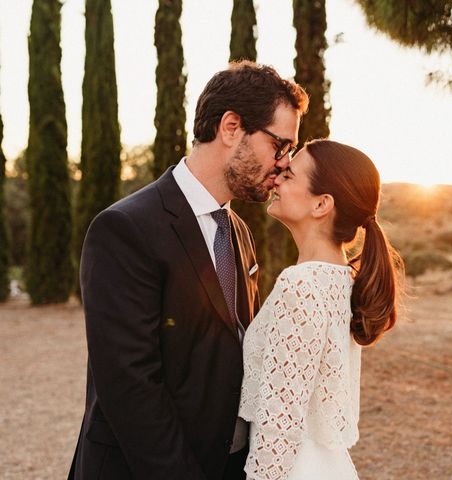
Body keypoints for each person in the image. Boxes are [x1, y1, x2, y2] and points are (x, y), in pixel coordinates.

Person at [68, 61, 308, 480]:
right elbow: (130, 385)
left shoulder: (237, 231)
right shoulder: (125, 229)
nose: (283, 164)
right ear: (231, 127)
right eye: (279, 145)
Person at [238, 139, 403, 480]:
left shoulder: (301, 285)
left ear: (321, 204)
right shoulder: (343, 281)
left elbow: (279, 421)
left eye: (291, 175)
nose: (278, 177)